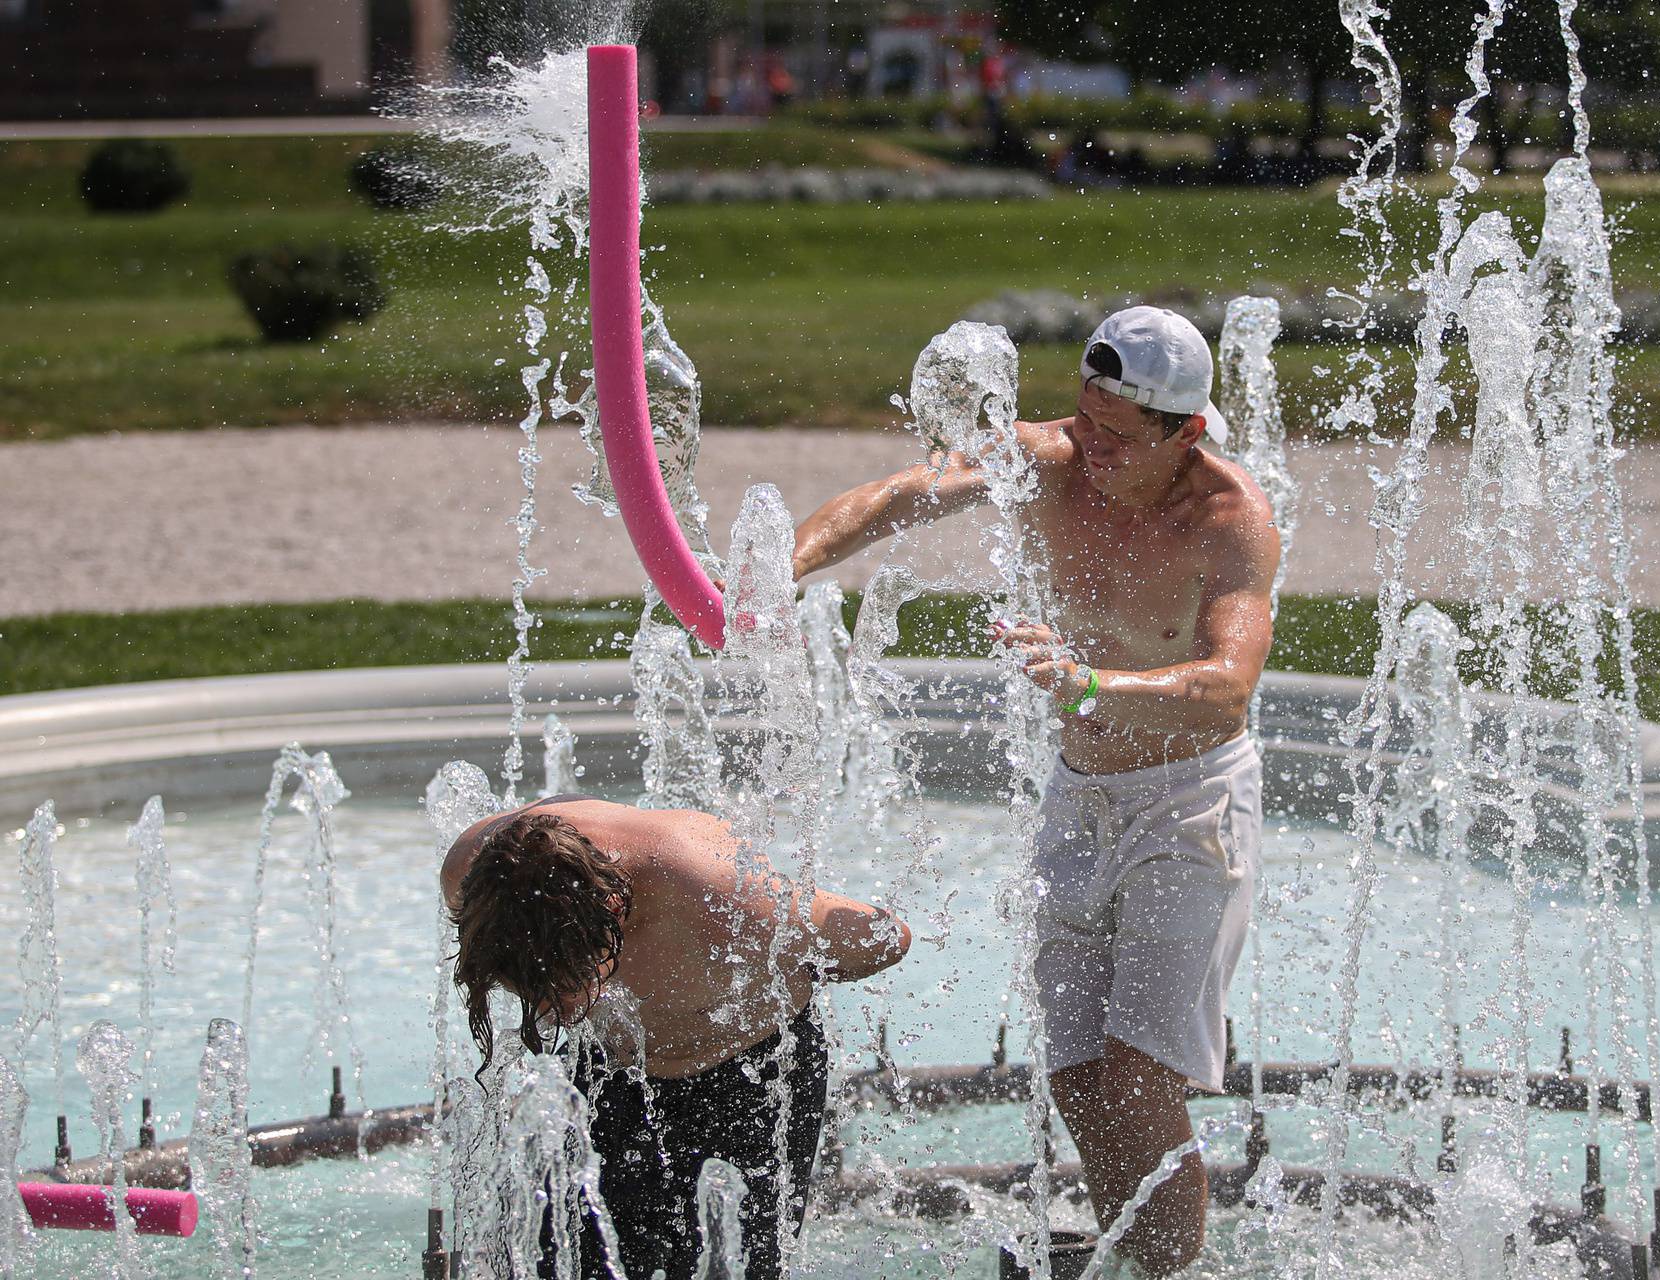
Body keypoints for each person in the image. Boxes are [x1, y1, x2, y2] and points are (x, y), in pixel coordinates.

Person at [788, 307, 1280, 1275]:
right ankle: (1129, 1256)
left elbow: (1229, 680)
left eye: (1115, 437)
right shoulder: (1048, 457)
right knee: (1081, 1078)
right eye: (1083, 418)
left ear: (1188, 432)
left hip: (1190, 803)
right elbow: (892, 498)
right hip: (1080, 793)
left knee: (1142, 1076)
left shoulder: (1230, 520)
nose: (1084, 445)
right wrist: (772, 570)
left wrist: (1094, 683)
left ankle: (1168, 1273)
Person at [442, 794, 911, 1280]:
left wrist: (777, 961)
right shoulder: (472, 873)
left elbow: (886, 937)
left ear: (616, 909)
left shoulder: (714, 888)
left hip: (753, 1079)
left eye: (566, 985)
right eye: (530, 990)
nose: (548, 1014)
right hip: (612, 1073)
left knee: (744, 1268)